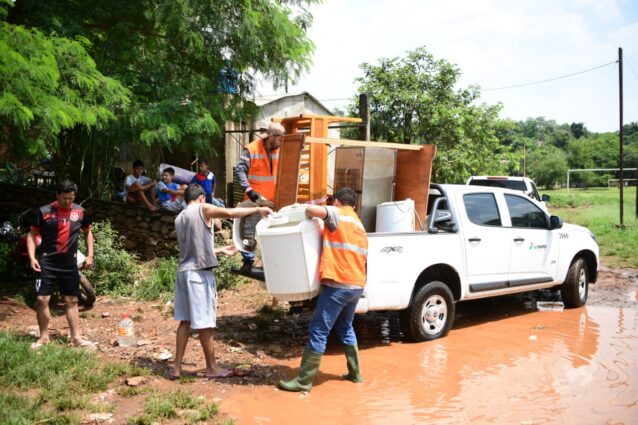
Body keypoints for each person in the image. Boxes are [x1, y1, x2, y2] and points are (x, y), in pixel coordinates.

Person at [169, 183, 272, 380]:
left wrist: (219, 250)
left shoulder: (179, 218)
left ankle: (176, 367)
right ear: (201, 198)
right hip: (199, 275)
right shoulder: (202, 208)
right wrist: (258, 209)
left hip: (184, 273)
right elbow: (230, 213)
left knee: (185, 321)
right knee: (205, 323)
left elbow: (193, 248)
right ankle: (212, 368)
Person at [278, 188, 369, 392]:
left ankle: (303, 381)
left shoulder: (338, 214)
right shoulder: (359, 225)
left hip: (339, 284)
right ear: (354, 204)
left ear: (337, 202)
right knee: (345, 327)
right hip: (357, 285)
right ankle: (355, 374)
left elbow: (311, 210)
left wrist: (312, 207)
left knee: (318, 330)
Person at [27, 180, 94, 349]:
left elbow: (88, 233)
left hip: (69, 263)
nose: (68, 202)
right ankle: (43, 337)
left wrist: (90, 255)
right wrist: (32, 257)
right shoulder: (43, 212)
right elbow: (32, 234)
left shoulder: (80, 212)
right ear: (57, 195)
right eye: (64, 198)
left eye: (71, 198)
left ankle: (76, 338)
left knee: (71, 300)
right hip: (47, 262)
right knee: (42, 299)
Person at [235, 122, 285, 272]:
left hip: (274, 201)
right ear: (271, 137)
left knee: (272, 233)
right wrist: (249, 190)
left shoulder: (281, 149)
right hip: (254, 201)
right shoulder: (251, 149)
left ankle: (272, 262)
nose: (281, 142)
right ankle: (248, 260)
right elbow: (240, 171)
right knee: (249, 231)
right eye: (279, 138)